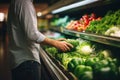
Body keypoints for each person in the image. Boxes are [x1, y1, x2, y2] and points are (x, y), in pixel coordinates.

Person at [7, 0, 73, 80]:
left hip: (20, 59)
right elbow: (32, 34)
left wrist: (53, 41)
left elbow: (26, 33)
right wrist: (55, 43)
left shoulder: (18, 2)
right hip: (27, 61)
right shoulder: (24, 2)